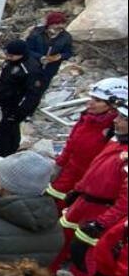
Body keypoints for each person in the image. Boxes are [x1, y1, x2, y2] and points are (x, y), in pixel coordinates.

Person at [53, 103, 128, 274]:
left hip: (100, 211)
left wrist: (102, 223)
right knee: (61, 240)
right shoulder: (116, 141)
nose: (116, 120)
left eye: (123, 118)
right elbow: (94, 170)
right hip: (84, 203)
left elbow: (125, 202)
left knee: (84, 255)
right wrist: (78, 190)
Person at [46, 77, 126, 206]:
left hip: (83, 185)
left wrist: (81, 188)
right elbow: (70, 144)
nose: (90, 103)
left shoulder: (114, 133)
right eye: (92, 98)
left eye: (98, 100)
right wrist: (59, 166)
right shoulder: (87, 119)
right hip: (66, 175)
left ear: (114, 106)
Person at [0, 39, 46, 165]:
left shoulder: (30, 69)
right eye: (7, 55)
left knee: (3, 133)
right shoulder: (11, 63)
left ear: (21, 54)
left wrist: (22, 111)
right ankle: (10, 154)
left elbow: (33, 95)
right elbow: (5, 79)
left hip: (17, 106)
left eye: (11, 55)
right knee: (11, 130)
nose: (8, 57)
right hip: (7, 102)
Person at [25, 11, 73, 89]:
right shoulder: (37, 32)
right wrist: (41, 57)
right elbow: (27, 49)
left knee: (37, 93)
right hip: (31, 67)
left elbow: (68, 53)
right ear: (50, 24)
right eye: (57, 24)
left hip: (49, 70)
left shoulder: (66, 37)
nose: (60, 26)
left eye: (62, 23)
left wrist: (58, 57)